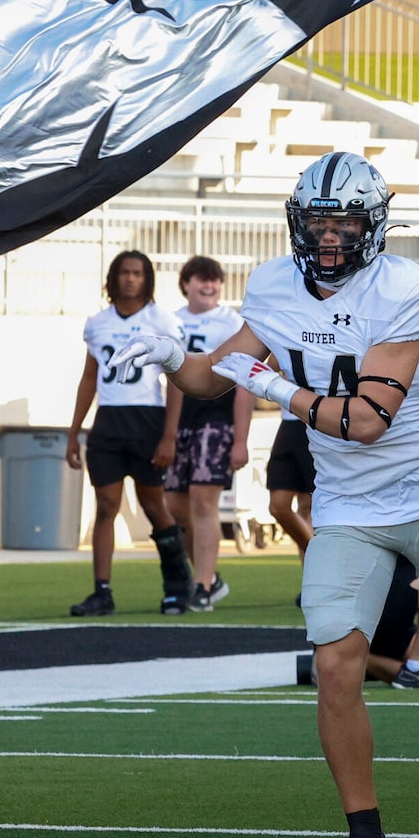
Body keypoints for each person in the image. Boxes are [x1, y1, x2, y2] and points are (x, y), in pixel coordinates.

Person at [159, 155, 419, 838]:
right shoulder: (278, 285)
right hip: (347, 505)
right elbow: (212, 374)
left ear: (373, 224)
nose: (330, 234)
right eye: (319, 219)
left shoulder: (405, 286)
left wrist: (278, 392)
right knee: (334, 663)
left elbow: (370, 419)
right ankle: (364, 834)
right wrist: (169, 353)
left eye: (345, 219)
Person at [67, 251, 192, 617]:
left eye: (137, 273)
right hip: (108, 422)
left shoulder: (162, 321)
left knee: (153, 504)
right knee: (105, 506)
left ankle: (176, 584)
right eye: (124, 272)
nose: (130, 279)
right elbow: (90, 377)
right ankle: (101, 591)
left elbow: (177, 382)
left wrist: (170, 435)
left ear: (148, 278)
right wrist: (74, 432)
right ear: (113, 277)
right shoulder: (97, 323)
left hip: (147, 421)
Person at [160, 255, 246, 611]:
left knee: (202, 501)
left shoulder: (233, 321)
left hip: (217, 416)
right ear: (186, 284)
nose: (209, 286)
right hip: (180, 419)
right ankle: (209, 575)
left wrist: (241, 439)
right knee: (174, 502)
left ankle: (203, 585)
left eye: (214, 280)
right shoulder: (171, 321)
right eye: (201, 279)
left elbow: (244, 379)